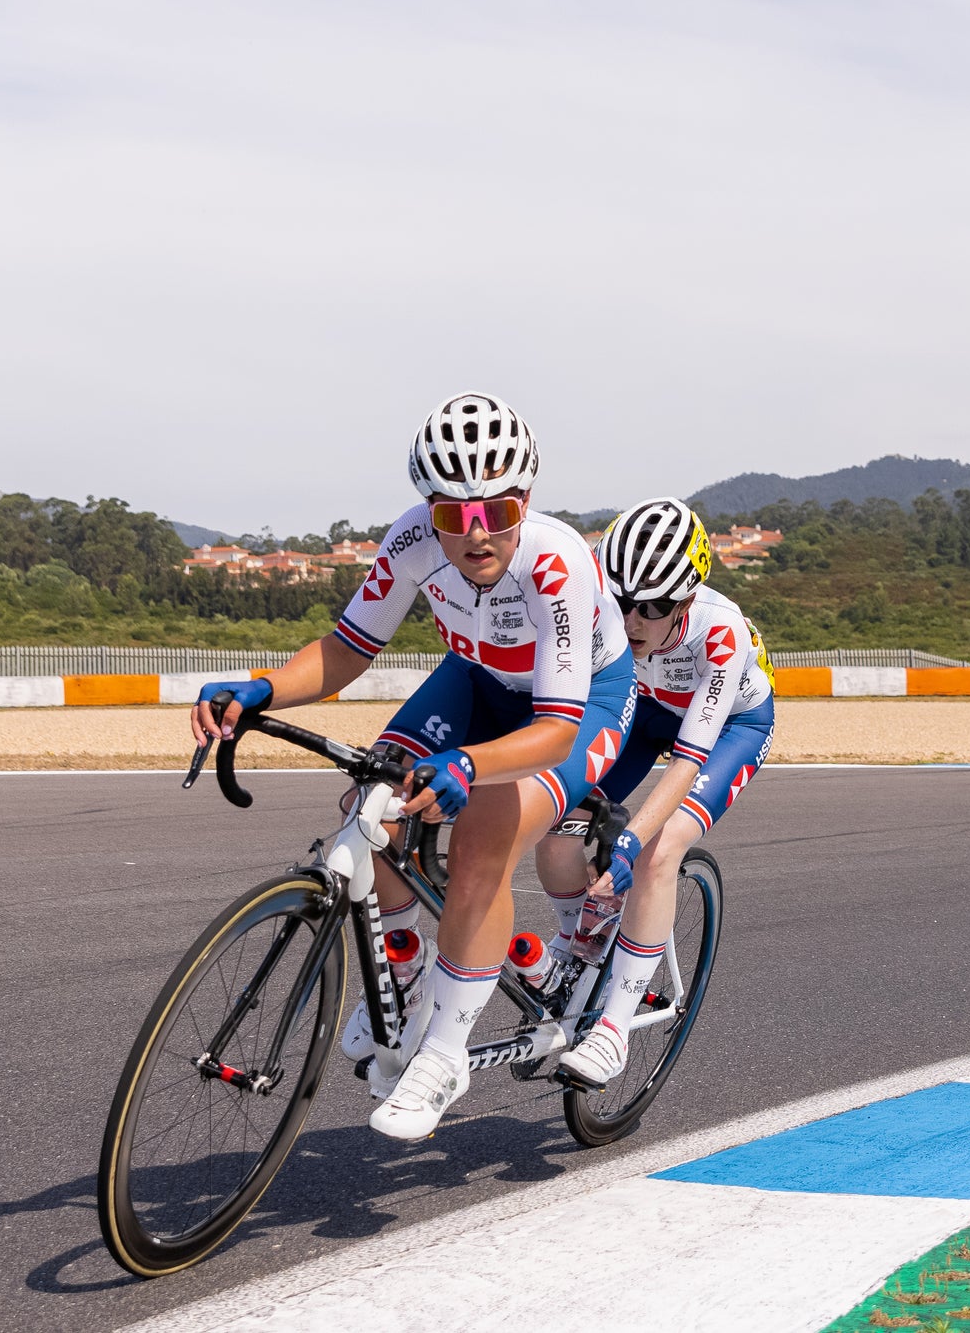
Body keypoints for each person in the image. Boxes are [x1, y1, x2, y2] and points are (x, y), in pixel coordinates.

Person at [192, 392, 633, 1140]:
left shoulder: (556, 564)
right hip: (474, 679)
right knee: (368, 806)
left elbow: (556, 731)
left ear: (525, 500)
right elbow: (346, 650)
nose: (475, 533)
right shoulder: (408, 543)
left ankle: (443, 1054)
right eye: (451, 514)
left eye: (497, 511)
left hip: (579, 707)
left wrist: (468, 763)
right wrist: (262, 688)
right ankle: (401, 964)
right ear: (429, 512)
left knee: (484, 832)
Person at [536, 497, 774, 1086]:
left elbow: (689, 761)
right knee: (555, 818)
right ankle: (577, 939)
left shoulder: (722, 633)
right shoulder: (598, 596)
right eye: (622, 603)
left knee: (656, 851)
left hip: (727, 728)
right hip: (641, 710)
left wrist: (631, 841)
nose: (634, 620)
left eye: (655, 607)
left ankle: (614, 1030)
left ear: (687, 601)